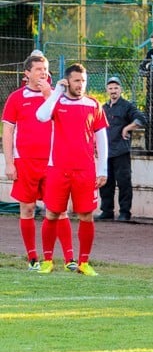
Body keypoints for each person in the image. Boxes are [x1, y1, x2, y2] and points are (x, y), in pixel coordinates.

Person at [36, 64, 108, 276]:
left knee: (86, 215)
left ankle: (84, 262)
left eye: (83, 81)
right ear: (68, 81)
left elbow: (101, 138)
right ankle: (48, 260)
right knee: (52, 213)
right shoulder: (57, 101)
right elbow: (41, 115)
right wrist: (56, 91)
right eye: (77, 80)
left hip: (85, 170)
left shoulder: (93, 104)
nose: (81, 85)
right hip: (58, 168)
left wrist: (102, 169)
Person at [2, 53, 53, 270]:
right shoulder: (16, 97)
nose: (43, 73)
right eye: (38, 69)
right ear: (27, 73)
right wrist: (9, 162)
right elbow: (8, 131)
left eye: (45, 69)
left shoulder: (54, 95)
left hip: (52, 161)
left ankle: (53, 258)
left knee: (55, 209)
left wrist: (48, 95)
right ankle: (32, 257)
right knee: (28, 208)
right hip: (25, 162)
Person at [97, 77, 146, 222]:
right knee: (105, 183)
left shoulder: (127, 106)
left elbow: (141, 119)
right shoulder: (103, 108)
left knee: (124, 182)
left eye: (116, 88)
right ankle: (107, 211)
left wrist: (127, 128)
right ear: (107, 90)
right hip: (106, 152)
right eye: (111, 88)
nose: (113, 91)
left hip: (121, 151)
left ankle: (125, 212)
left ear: (121, 90)